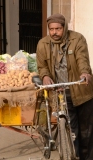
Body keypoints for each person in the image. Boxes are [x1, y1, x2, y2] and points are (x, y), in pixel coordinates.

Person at [36, 13, 93, 159]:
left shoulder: (77, 39)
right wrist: (45, 76)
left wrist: (85, 73)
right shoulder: (43, 44)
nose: (54, 32)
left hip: (81, 90)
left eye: (58, 29)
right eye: (51, 29)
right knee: (72, 130)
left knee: (86, 132)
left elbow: (82, 59)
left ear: (64, 27)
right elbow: (42, 66)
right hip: (61, 92)